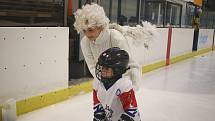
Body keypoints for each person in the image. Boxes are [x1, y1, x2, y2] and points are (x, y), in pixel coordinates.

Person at [73, 3, 141, 89]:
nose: (87, 34)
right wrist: (104, 82)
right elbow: (92, 66)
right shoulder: (85, 42)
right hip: (103, 83)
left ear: (100, 26)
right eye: (84, 30)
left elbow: (131, 65)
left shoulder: (115, 37)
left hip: (123, 82)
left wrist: (131, 87)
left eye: (90, 30)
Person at [93, 47, 141, 121]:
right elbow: (98, 108)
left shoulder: (124, 85)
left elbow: (131, 110)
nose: (102, 71)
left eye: (106, 69)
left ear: (117, 70)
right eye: (102, 67)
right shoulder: (97, 83)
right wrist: (99, 117)